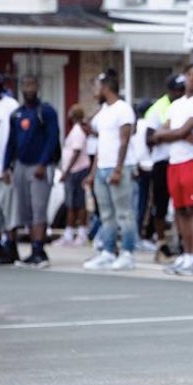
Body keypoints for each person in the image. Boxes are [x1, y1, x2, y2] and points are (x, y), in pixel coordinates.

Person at [148, 63, 193, 277]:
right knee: (180, 209)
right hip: (174, 161)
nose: (192, 78)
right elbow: (161, 131)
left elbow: (182, 131)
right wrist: (176, 133)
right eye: (189, 74)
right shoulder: (176, 105)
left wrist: (175, 133)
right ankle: (185, 254)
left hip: (192, 159)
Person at [83, 71, 138, 271]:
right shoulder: (103, 111)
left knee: (124, 213)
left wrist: (118, 169)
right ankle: (108, 251)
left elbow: (124, 140)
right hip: (102, 167)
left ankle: (127, 253)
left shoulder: (123, 109)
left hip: (119, 168)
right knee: (106, 215)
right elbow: (100, 144)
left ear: (106, 86)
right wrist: (92, 173)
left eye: (97, 86)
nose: (94, 91)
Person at [4, 74, 60, 269]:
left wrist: (43, 164)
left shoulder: (46, 111)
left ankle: (39, 250)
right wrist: (6, 166)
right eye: (25, 85)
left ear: (38, 87)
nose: (29, 89)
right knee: (25, 210)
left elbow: (53, 139)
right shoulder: (17, 114)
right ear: (21, 88)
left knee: (39, 210)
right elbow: (11, 142)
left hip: (39, 167)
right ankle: (33, 251)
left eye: (32, 85)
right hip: (20, 165)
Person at [145, 74, 186, 261]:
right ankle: (161, 243)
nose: (180, 93)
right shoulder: (157, 109)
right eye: (177, 90)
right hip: (162, 161)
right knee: (160, 204)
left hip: (180, 159)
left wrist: (166, 134)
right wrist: (173, 134)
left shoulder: (186, 105)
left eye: (182, 89)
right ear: (169, 90)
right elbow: (149, 138)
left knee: (182, 204)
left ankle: (181, 241)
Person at [0, 70, 18, 264]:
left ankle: (12, 247)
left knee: (9, 211)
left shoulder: (11, 106)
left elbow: (15, 139)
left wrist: (10, 165)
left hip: (5, 169)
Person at [56, 104, 91, 247]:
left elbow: (76, 152)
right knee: (72, 204)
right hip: (75, 171)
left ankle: (79, 234)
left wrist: (66, 171)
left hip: (77, 171)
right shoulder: (77, 130)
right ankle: (70, 233)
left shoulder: (77, 131)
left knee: (77, 204)